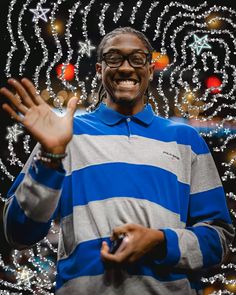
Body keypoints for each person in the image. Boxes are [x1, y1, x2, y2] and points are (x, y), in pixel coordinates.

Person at [0, 27, 234, 295]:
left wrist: (159, 242)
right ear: (99, 70)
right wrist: (51, 156)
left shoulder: (186, 140)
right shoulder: (65, 135)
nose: (125, 68)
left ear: (150, 69)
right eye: (114, 58)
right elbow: (17, 233)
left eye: (136, 59)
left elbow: (219, 240)